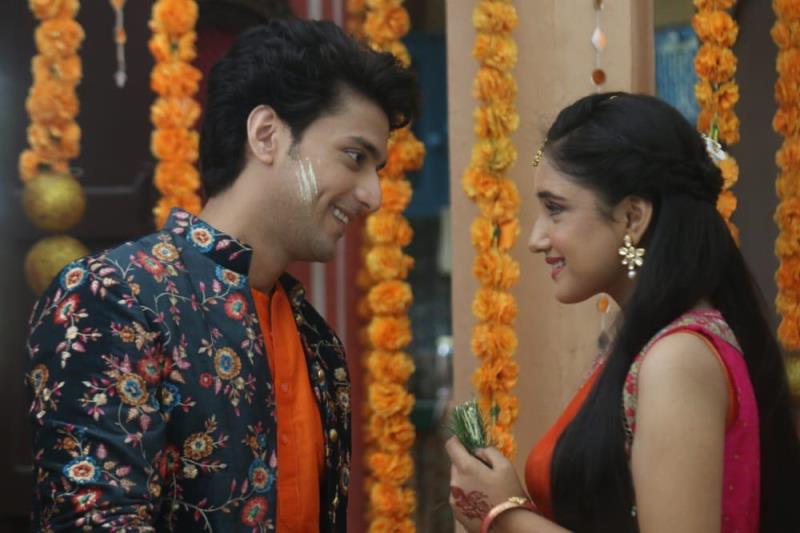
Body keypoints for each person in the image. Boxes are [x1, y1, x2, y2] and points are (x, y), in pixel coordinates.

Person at [25, 17, 418, 532]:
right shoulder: (116, 296)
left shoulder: (318, 344)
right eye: (354, 156)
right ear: (266, 135)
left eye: (376, 169)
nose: (373, 195)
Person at [446, 92, 800, 533]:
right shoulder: (646, 343)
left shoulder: (677, 358)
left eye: (555, 209)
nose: (536, 238)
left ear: (633, 217)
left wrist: (504, 515)